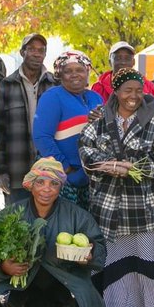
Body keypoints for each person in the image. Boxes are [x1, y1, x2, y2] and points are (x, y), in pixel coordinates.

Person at [80, 68, 154, 307]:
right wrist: (108, 166)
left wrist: (134, 168)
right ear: (116, 92)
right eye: (127, 90)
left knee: (146, 263)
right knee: (116, 264)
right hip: (109, 205)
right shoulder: (100, 119)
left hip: (143, 205)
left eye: (138, 90)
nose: (133, 96)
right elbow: (86, 149)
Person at [0, 157, 108, 307]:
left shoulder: (76, 214)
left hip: (64, 278)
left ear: (60, 187)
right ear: (30, 185)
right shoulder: (11, 213)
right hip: (23, 280)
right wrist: (4, 266)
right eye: (40, 182)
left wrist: (88, 255)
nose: (47, 189)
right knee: (6, 299)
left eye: (54, 183)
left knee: (81, 298)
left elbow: (99, 248)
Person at [32, 50, 105, 209]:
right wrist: (67, 169)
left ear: (87, 72)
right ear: (60, 74)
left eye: (79, 70)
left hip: (91, 177)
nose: (74, 75)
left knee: (86, 228)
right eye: (68, 71)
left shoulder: (95, 98)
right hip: (62, 177)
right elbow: (42, 137)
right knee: (64, 228)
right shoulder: (53, 97)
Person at [0, 33, 56, 198]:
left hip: (50, 172)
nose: (37, 54)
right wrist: (1, 170)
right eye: (31, 49)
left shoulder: (54, 85)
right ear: (22, 52)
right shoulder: (6, 85)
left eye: (41, 50)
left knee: (47, 223)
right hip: (17, 171)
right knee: (16, 222)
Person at [92, 41, 154, 108]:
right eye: (118, 58)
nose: (123, 62)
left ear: (133, 62)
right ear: (110, 62)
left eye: (127, 58)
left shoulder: (150, 87)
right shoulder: (98, 88)